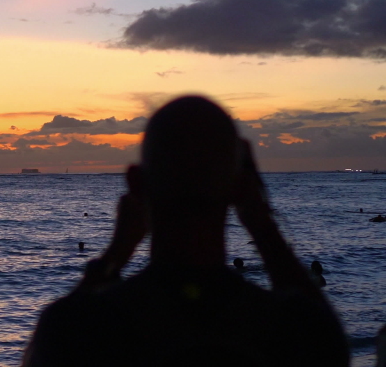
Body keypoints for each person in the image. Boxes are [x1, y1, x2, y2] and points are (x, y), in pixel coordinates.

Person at [22, 96, 348, 367]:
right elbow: (328, 341)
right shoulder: (290, 331)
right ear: (240, 187)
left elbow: (40, 354)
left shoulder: (80, 331)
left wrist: (115, 254)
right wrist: (262, 225)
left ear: (135, 182)